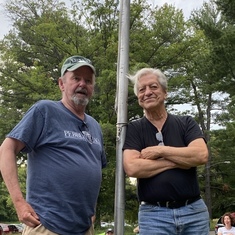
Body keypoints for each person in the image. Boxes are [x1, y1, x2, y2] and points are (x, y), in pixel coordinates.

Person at [0, 55, 107, 235]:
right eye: (76, 78)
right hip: (47, 225)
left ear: (92, 88)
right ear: (61, 84)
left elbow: (93, 170)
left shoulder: (95, 126)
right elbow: (6, 149)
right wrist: (19, 202)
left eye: (88, 80)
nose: (82, 84)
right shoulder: (45, 110)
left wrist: (92, 212)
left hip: (84, 228)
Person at [123, 68, 209, 235]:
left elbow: (201, 154)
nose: (147, 92)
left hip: (194, 211)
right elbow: (133, 168)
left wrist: (160, 151)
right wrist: (178, 160)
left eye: (153, 87)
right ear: (138, 97)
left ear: (165, 92)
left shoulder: (186, 123)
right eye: (142, 89)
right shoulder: (134, 128)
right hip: (154, 215)